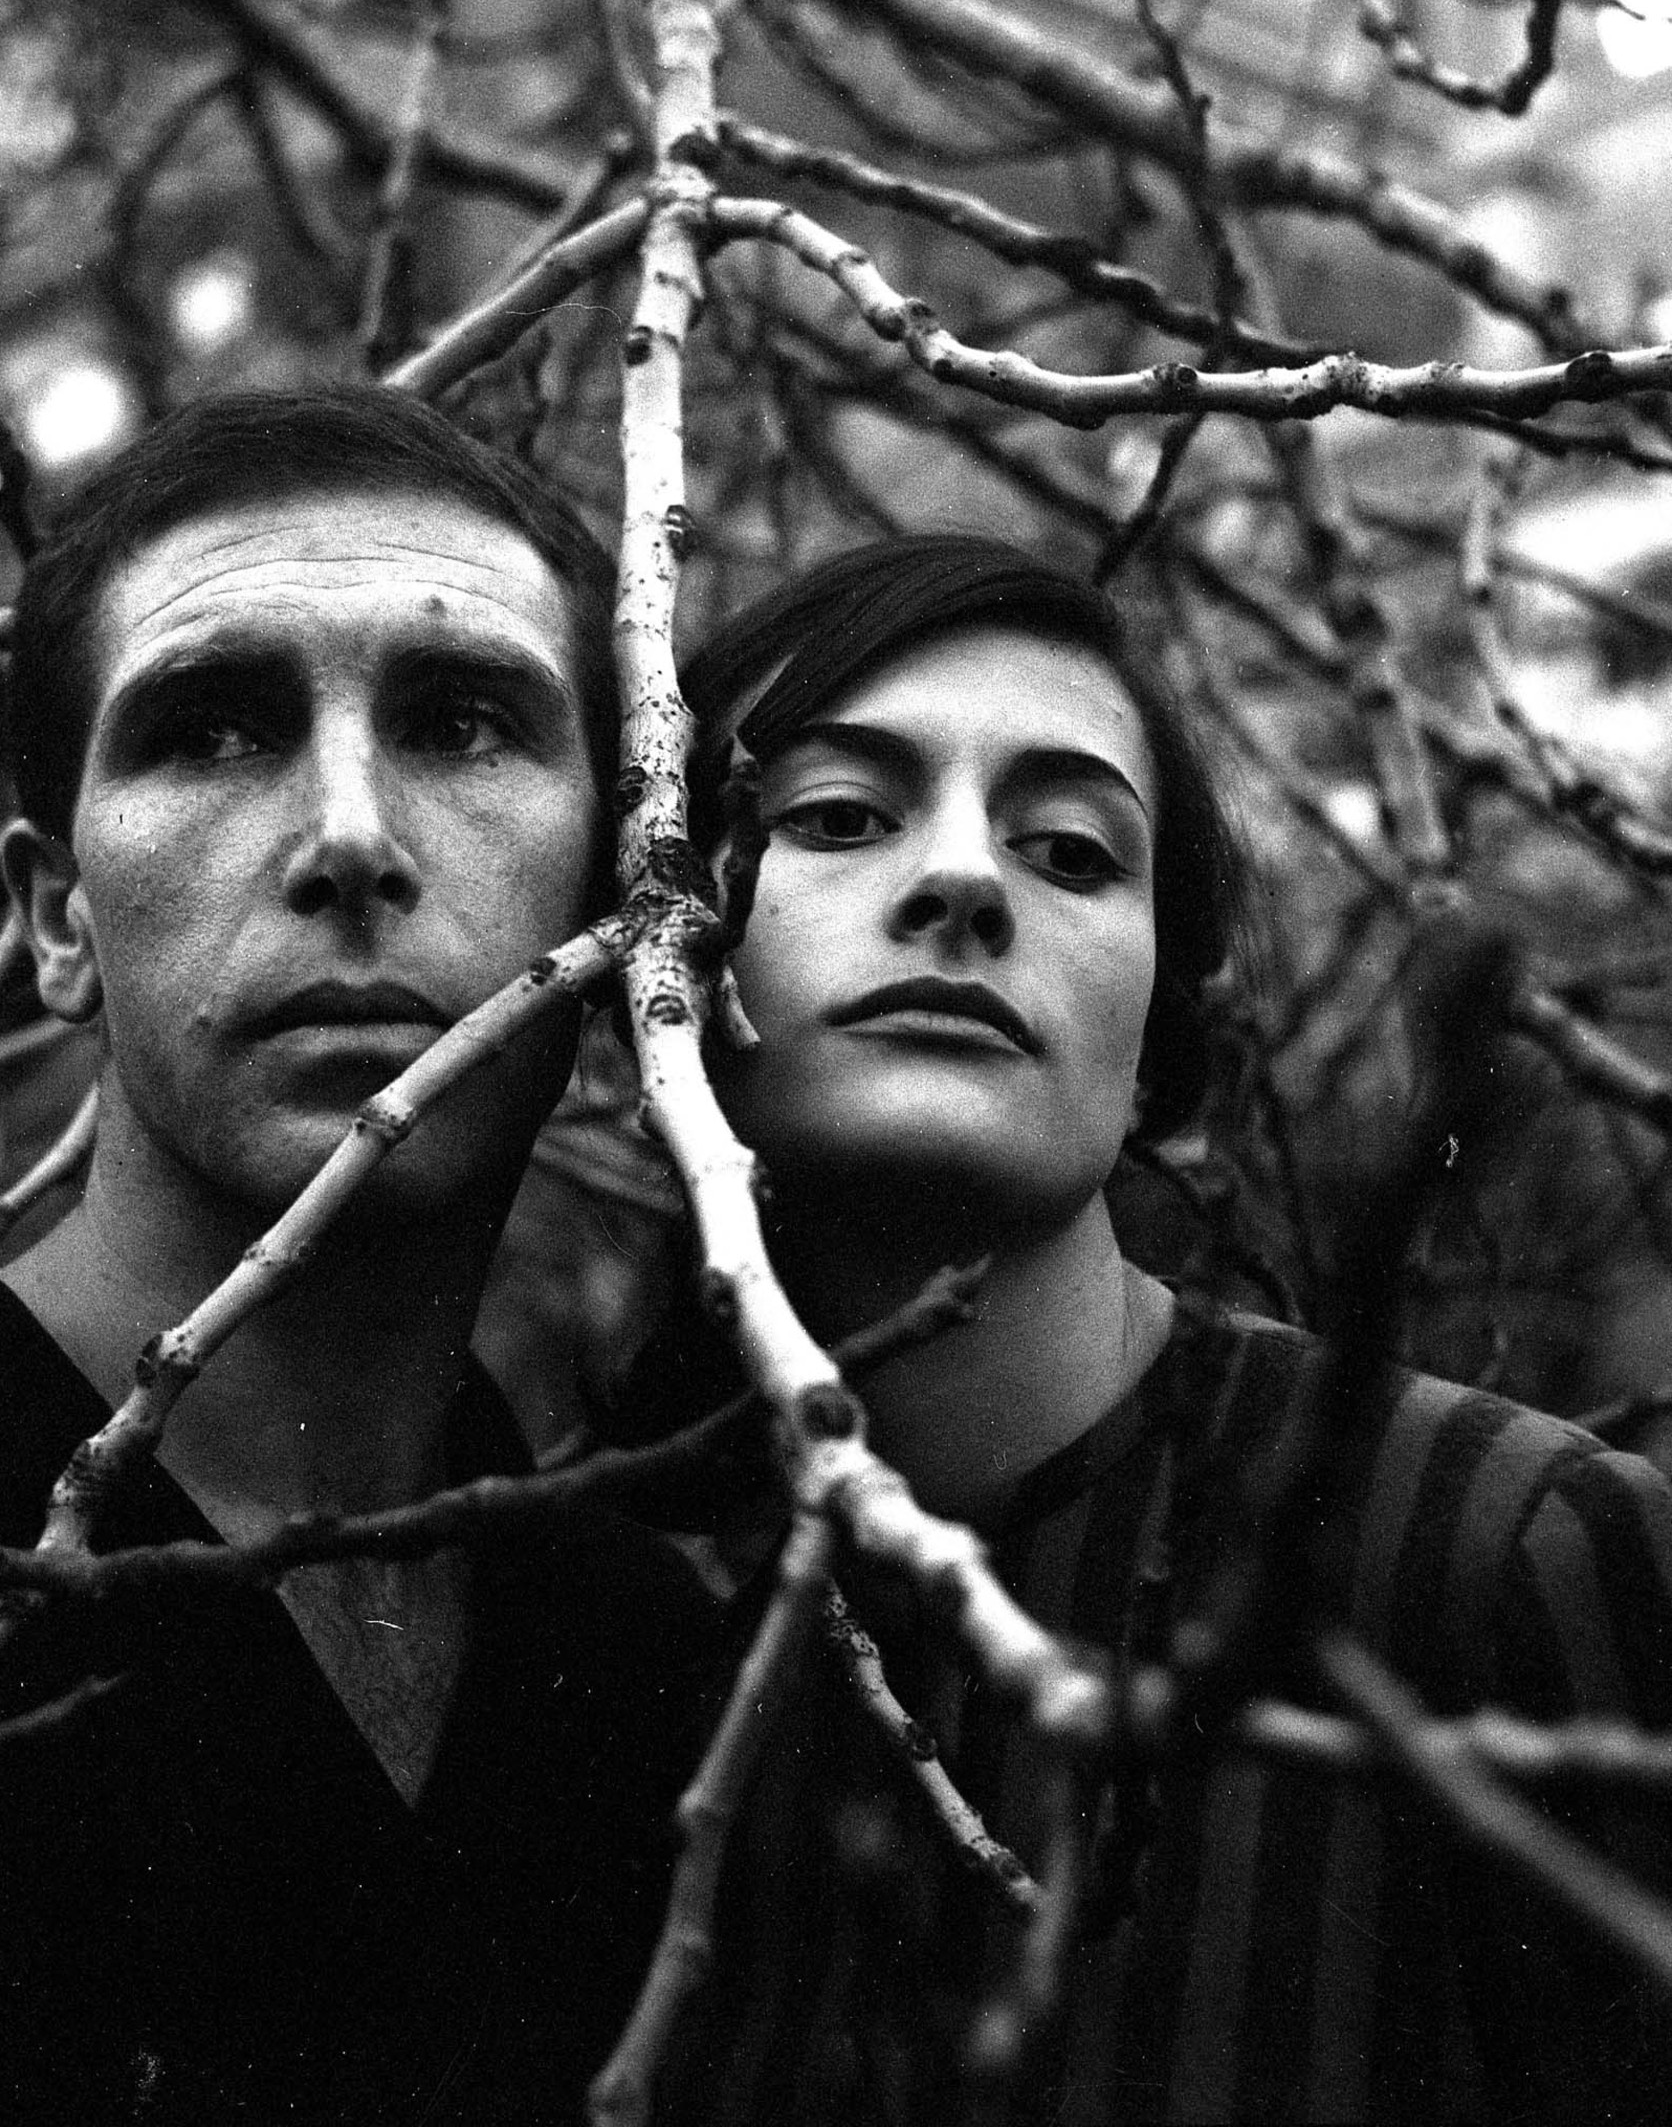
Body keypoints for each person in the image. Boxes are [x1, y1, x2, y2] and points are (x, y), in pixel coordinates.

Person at [0, 387, 719, 2125]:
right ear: (55, 920)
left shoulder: (645, 1672)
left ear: (619, 898)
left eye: (462, 723)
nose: (351, 837)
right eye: (214, 730)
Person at [646, 534, 1672, 2122]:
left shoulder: (1501, 1551)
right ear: (655, 959)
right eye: (838, 816)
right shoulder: (601, 1617)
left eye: (1071, 851)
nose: (964, 880)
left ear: (1159, 1048)